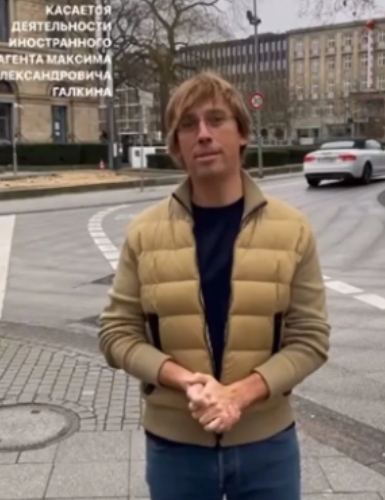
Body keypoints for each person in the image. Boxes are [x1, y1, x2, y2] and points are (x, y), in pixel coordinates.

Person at [99, 71, 331, 500]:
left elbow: (311, 339)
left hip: (268, 447)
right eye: (188, 125)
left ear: (242, 133)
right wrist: (185, 381)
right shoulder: (144, 233)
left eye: (216, 119)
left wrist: (240, 395)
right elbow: (117, 334)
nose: (203, 133)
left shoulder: (293, 229)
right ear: (176, 146)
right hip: (175, 449)